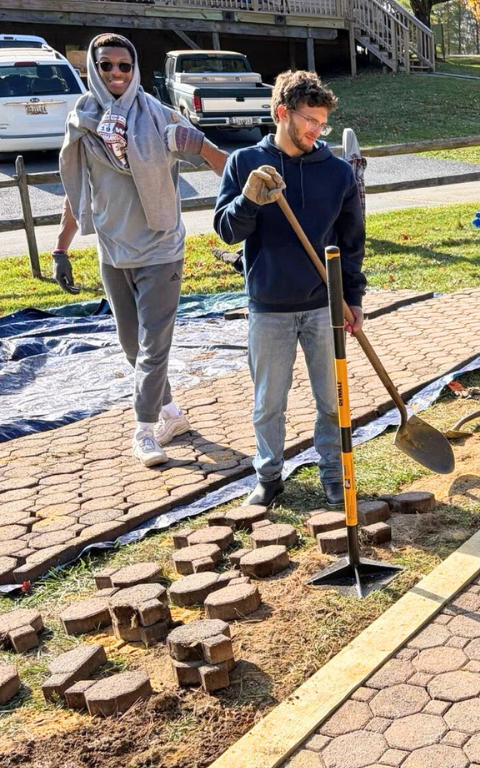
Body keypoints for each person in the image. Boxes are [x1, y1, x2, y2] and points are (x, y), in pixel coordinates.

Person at [57, 33, 228, 467]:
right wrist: (61, 247)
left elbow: (216, 159)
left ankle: (144, 429)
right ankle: (171, 414)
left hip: (160, 250)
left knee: (153, 347)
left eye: (124, 66)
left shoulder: (159, 116)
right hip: (114, 252)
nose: (116, 73)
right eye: (106, 66)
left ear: (135, 71)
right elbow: (77, 190)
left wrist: (203, 149)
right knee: (132, 347)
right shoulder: (82, 120)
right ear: (92, 70)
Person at [213, 71, 365, 509]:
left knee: (333, 402)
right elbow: (226, 230)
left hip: (323, 307)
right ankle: (269, 476)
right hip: (269, 306)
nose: (317, 131)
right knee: (269, 403)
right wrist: (248, 201)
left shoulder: (336, 173)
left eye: (323, 123)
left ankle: (335, 476)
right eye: (310, 121)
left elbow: (351, 242)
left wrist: (352, 298)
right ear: (282, 113)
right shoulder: (244, 163)